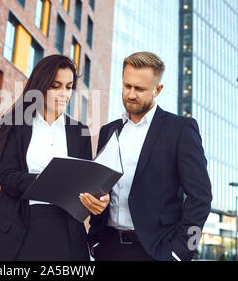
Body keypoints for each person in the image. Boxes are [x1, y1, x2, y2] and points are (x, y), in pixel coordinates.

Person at [0, 54, 109, 261]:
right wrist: (43, 181)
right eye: (55, 86)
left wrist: (98, 198)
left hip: (65, 229)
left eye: (68, 87)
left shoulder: (79, 131)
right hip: (18, 225)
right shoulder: (15, 125)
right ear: (40, 86)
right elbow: (7, 176)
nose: (63, 93)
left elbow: (86, 181)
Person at [88, 51, 212, 261]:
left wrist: (180, 253)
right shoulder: (109, 131)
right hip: (107, 248)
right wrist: (95, 241)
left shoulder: (180, 129)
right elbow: (98, 186)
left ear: (158, 89)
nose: (131, 94)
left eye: (140, 89)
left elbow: (200, 197)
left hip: (157, 251)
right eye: (127, 86)